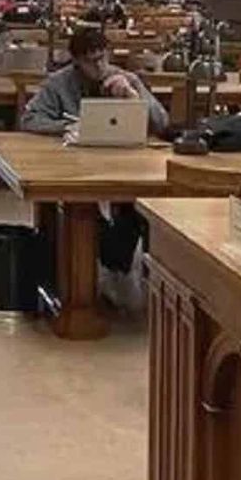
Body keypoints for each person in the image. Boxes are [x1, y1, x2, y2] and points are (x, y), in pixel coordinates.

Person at [21, 26, 168, 300]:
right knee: (80, 209)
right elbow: (30, 120)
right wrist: (73, 126)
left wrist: (133, 96)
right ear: (76, 61)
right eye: (91, 61)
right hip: (73, 165)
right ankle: (83, 269)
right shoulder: (58, 83)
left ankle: (118, 263)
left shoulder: (126, 79)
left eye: (103, 58)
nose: (99, 66)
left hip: (126, 164)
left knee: (140, 207)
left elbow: (162, 122)